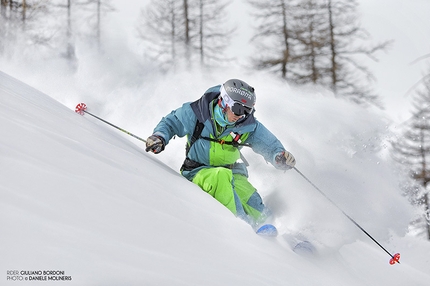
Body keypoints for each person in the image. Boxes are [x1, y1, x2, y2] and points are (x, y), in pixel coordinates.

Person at [145, 79, 296, 233]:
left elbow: (270, 146)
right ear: (224, 102)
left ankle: (284, 239)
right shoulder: (197, 113)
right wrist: (159, 137)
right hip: (198, 172)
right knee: (221, 177)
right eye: (238, 109)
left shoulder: (247, 125)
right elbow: (171, 123)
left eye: (247, 110)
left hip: (233, 173)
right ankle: (247, 232)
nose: (241, 115)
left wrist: (280, 157)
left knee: (253, 201)